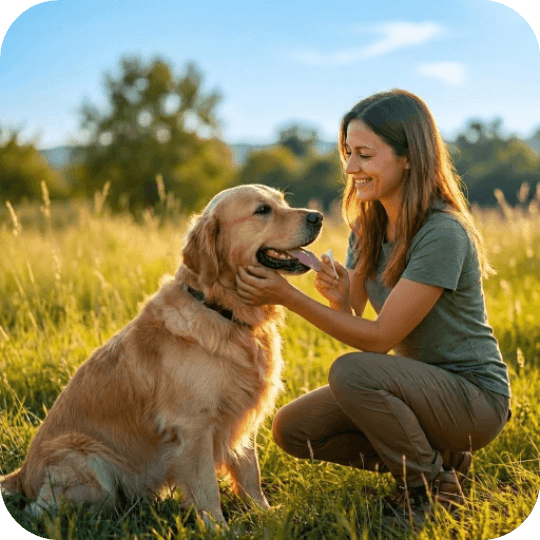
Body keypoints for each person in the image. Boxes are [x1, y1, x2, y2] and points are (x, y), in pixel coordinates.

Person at [235, 89, 511, 527]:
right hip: (417, 393)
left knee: (350, 372)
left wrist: (288, 296)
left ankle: (430, 492)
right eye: (347, 152)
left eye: (364, 154)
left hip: (474, 399)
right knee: (293, 430)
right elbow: (356, 324)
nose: (349, 168)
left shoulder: (442, 233)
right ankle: (436, 466)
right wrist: (340, 297)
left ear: (408, 157)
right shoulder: (367, 227)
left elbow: (379, 340)